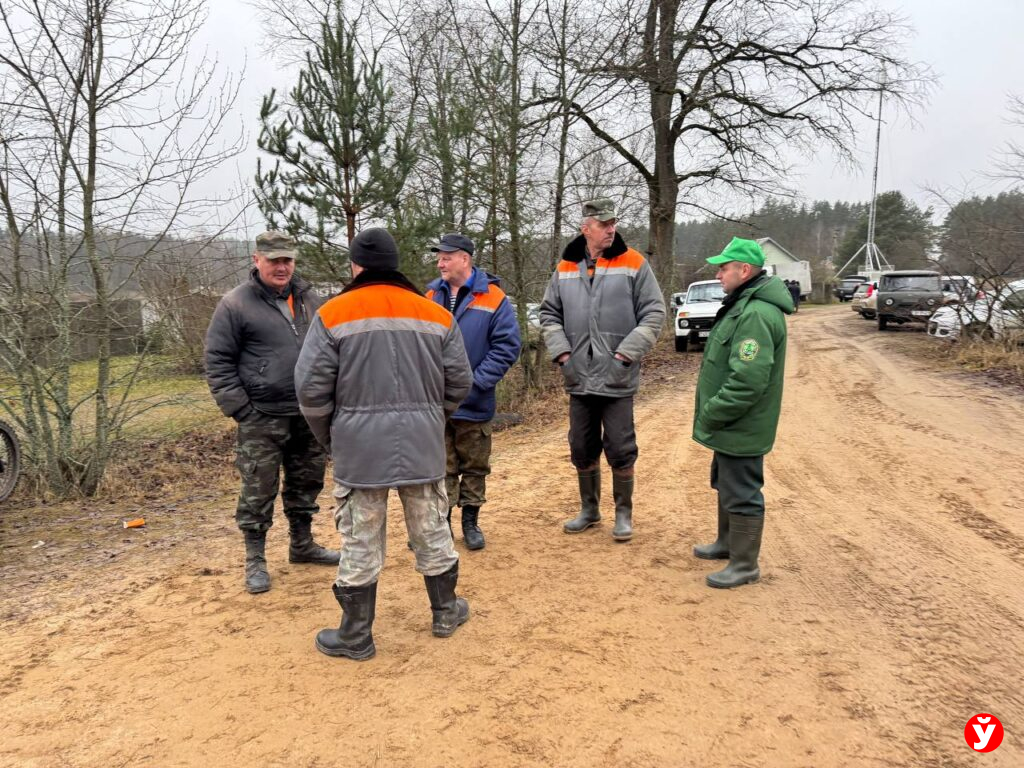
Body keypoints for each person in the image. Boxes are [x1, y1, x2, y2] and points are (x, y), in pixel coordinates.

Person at [295, 228, 474, 660]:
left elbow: (310, 389)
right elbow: (460, 380)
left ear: (356, 266)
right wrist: (431, 418)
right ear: (395, 265)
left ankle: (356, 635)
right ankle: (445, 612)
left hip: (359, 448)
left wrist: (333, 436)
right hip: (422, 442)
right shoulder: (433, 313)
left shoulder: (334, 314)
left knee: (360, 537)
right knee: (431, 528)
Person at [205, 231, 339, 595]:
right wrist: (240, 409)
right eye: (274, 260)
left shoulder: (310, 298)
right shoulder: (235, 304)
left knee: (306, 482)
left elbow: (329, 348)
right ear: (257, 260)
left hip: (308, 413)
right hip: (261, 415)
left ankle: (302, 545)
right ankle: (256, 560)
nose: (282, 267)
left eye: (288, 260)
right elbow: (217, 362)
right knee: (257, 488)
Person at [539, 199, 665, 541]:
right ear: (586, 228)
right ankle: (590, 510)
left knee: (621, 448)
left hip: (617, 375)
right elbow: (548, 313)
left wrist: (626, 353)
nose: (611, 229)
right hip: (578, 375)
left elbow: (654, 313)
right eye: (604, 224)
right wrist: (562, 353)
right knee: (581, 446)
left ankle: (623, 514)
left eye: (613, 223)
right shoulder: (565, 266)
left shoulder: (634, 262)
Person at [692, 237, 793, 588]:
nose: (719, 274)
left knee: (743, 492)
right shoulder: (743, 305)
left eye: (723, 268)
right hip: (732, 424)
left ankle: (745, 565)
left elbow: (748, 381)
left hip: (741, 423)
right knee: (727, 483)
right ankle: (726, 544)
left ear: (744, 270)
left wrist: (713, 412)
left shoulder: (755, 314)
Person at [425, 233, 522, 550]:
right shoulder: (429, 296)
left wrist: (475, 382)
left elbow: (507, 347)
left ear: (464, 259)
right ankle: (444, 526)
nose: (440, 262)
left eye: (446, 256)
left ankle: (471, 523)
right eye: (439, 257)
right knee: (441, 468)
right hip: (437, 404)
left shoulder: (493, 297)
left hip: (475, 402)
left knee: (475, 467)